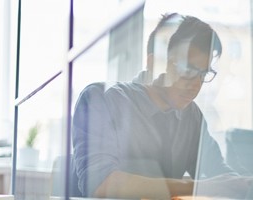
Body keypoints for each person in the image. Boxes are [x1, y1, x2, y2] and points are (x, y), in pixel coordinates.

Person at [72, 14, 252, 199]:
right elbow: (99, 184)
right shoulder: (102, 99)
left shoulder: (192, 115)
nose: (196, 84)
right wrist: (196, 188)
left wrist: (243, 185)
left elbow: (219, 174)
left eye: (203, 74)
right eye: (187, 69)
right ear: (153, 63)